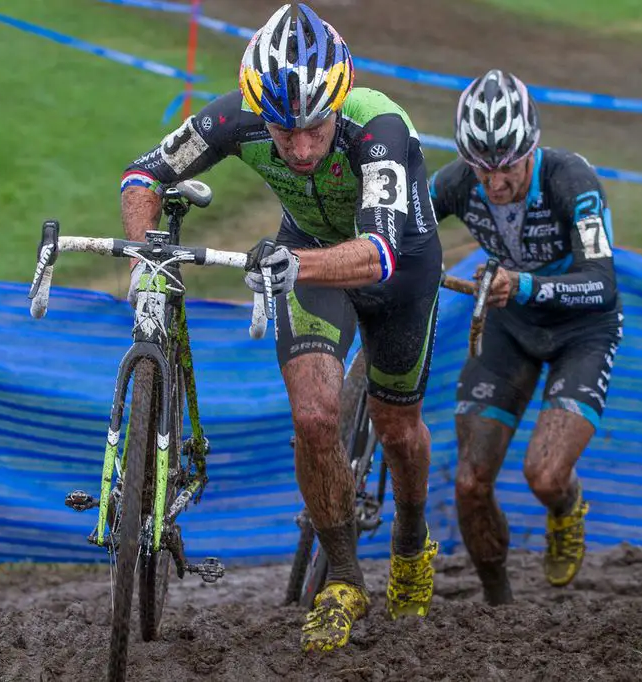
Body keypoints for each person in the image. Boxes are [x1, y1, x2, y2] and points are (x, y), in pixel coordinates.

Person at [118, 2, 444, 653]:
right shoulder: (233, 116)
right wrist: (145, 251)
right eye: (282, 130)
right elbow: (143, 174)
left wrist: (292, 263)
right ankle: (345, 580)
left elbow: (379, 254)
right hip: (305, 261)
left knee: (397, 427)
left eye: (313, 129)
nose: (297, 148)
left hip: (395, 266)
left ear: (338, 102)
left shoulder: (379, 128)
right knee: (314, 420)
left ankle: (410, 540)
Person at [428, 69, 624, 605]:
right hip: (511, 328)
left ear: (531, 146)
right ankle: (499, 604)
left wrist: (525, 284)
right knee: (470, 483)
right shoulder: (454, 182)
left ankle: (566, 507)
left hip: (582, 330)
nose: (494, 184)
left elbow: (603, 286)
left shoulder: (571, 180)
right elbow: (402, 228)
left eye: (507, 166)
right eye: (481, 168)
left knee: (544, 475)